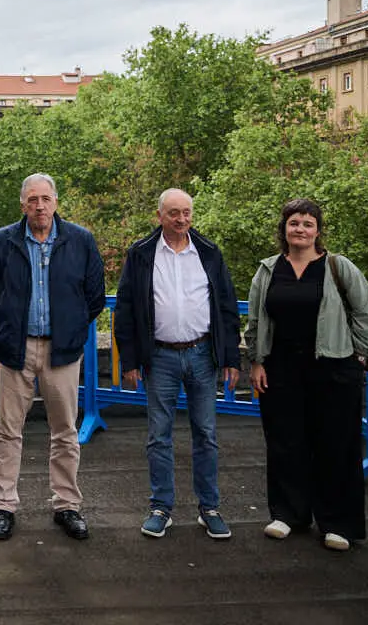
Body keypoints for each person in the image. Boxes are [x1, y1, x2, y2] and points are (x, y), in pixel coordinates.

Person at [245, 198, 368, 552]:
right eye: (293, 223)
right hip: (281, 367)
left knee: (336, 444)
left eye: (307, 223)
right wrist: (257, 361)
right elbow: (256, 322)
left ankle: (338, 523)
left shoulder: (339, 267)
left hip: (334, 367)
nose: (300, 229)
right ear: (284, 229)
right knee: (285, 442)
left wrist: (359, 356)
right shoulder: (268, 270)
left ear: (318, 230)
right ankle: (289, 514)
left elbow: (367, 316)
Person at [0, 173, 105, 541]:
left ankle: (67, 505)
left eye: (46, 199)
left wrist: (70, 328)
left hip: (62, 350)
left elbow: (94, 296)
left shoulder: (80, 240)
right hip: (16, 350)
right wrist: (10, 329)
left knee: (65, 431)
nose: (39, 206)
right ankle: (4, 504)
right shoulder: (2, 241)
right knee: (7, 430)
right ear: (22, 204)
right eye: (32, 199)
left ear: (56, 202)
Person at [114, 188, 241, 540]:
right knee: (159, 436)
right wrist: (130, 359)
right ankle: (161, 508)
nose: (181, 219)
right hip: (160, 355)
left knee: (207, 433)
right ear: (160, 216)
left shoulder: (209, 252)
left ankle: (210, 508)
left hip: (202, 354)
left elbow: (227, 307)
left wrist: (231, 356)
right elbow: (125, 309)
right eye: (173, 213)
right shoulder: (140, 254)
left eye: (186, 212)